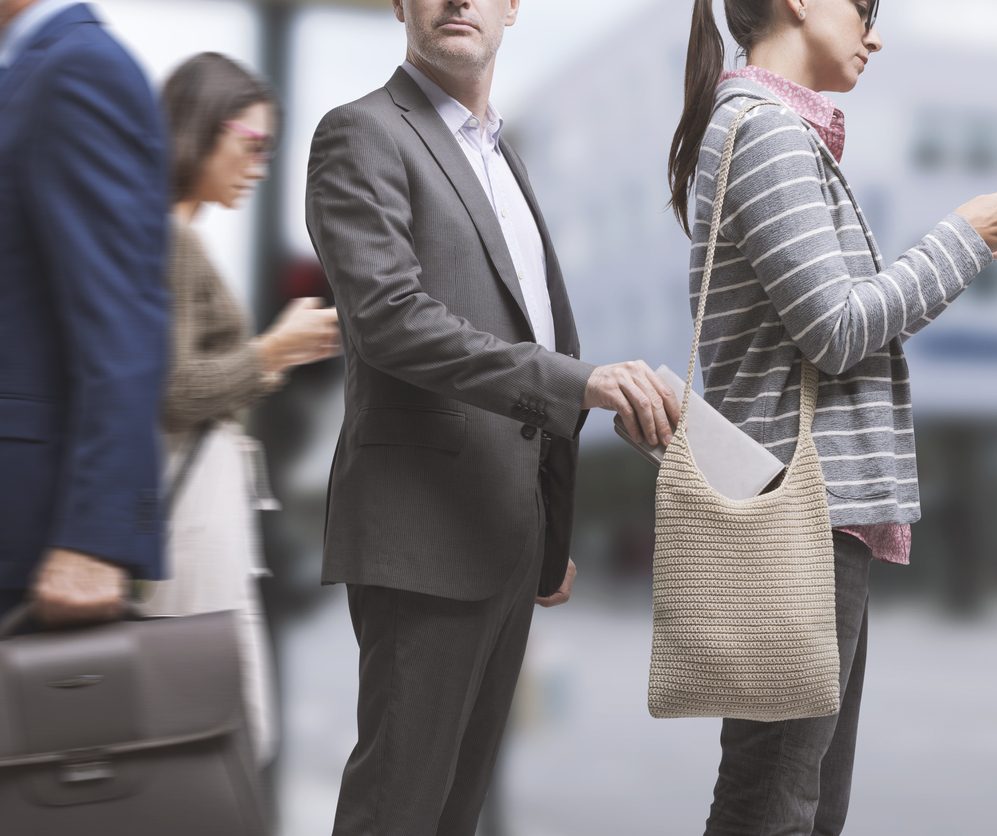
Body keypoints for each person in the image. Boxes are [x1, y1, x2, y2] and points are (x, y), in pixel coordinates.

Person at [666, 1, 997, 833]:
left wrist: (967, 244)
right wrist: (961, 237)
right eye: (863, 7)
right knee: (774, 805)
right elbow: (837, 329)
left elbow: (834, 323)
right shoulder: (764, 130)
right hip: (797, 519)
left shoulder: (769, 131)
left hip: (804, 514)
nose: (875, 33)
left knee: (797, 802)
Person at [305, 0, 679, 832]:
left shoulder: (504, 158)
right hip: (421, 539)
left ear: (514, 6)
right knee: (397, 811)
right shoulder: (359, 133)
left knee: (458, 815)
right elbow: (391, 320)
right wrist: (583, 383)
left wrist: (549, 533)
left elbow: (530, 328)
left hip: (505, 539)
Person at [137, 52, 342, 767]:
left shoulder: (176, 233)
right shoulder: (163, 235)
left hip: (204, 502)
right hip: (189, 509)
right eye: (249, 143)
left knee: (220, 721)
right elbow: (174, 390)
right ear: (198, 128)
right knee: (226, 724)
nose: (259, 164)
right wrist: (273, 352)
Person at [0, 0, 168, 624]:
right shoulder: (26, 74)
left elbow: (120, 314)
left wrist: (97, 536)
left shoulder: (80, 70)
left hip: (32, 539)